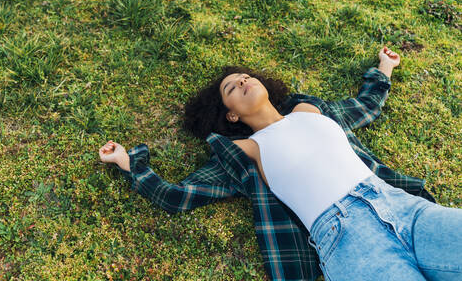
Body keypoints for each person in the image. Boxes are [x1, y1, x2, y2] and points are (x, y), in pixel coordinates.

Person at [99, 47, 461, 281]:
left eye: (244, 76)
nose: (242, 80)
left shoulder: (310, 110)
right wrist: (131, 163)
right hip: (347, 239)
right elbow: (178, 196)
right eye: (231, 88)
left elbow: (365, 106)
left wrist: (384, 68)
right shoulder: (245, 151)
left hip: (403, 208)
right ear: (231, 115)